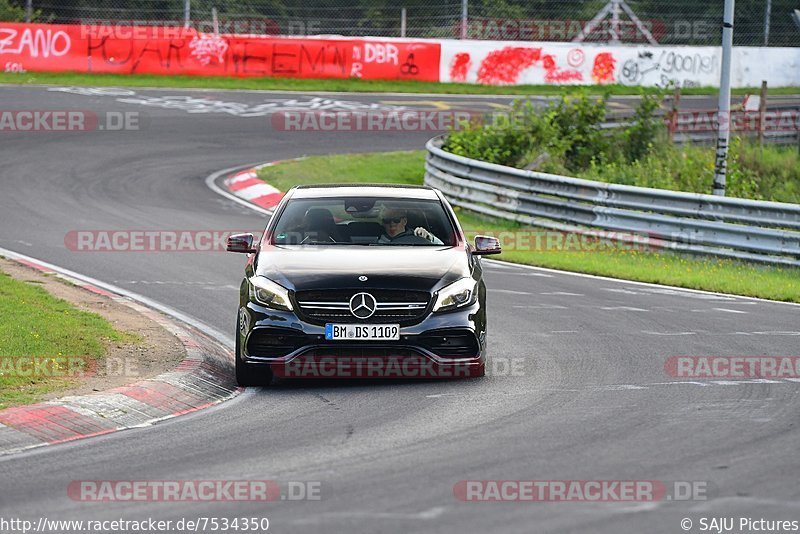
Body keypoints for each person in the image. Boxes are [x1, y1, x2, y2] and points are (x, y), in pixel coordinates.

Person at [377, 207, 443, 245]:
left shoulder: (417, 234)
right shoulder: (374, 241)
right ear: (383, 223)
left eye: (396, 220)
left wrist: (430, 237)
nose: (392, 224)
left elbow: (443, 247)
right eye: (387, 220)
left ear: (405, 221)